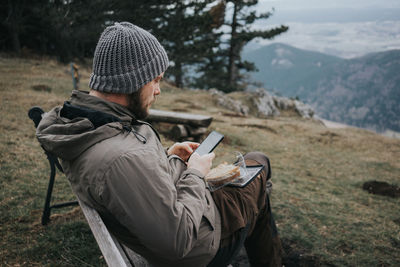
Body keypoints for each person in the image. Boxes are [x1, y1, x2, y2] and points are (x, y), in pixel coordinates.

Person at [36, 22, 282, 266]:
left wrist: (169, 156)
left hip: (179, 209)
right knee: (260, 165)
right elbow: (180, 239)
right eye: (155, 80)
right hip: (203, 242)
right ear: (133, 80)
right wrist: (196, 171)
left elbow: (139, 179)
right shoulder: (121, 160)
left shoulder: (88, 125)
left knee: (252, 174)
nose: (158, 90)